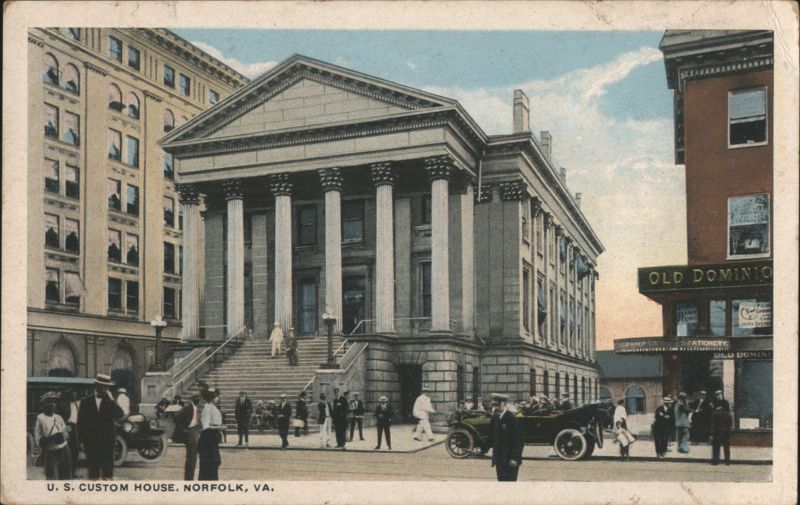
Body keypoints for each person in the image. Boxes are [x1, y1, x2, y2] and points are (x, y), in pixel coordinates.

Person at [78, 373, 124, 480]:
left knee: (107, 470)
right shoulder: (86, 402)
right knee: (93, 470)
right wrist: (81, 441)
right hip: (91, 441)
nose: (104, 389)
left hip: (107, 441)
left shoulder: (110, 401)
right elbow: (81, 423)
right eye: (101, 386)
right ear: (96, 386)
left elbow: (120, 415)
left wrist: (112, 400)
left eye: (106, 386)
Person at [486, 393, 524, 481]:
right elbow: (491, 436)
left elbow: (519, 441)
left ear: (503, 404)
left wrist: (514, 458)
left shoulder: (512, 418)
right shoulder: (495, 417)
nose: (495, 408)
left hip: (510, 460)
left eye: (497, 405)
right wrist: (483, 449)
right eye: (494, 405)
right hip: (499, 459)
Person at [35, 392, 72, 480]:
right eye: (48, 402)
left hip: (64, 450)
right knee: (52, 478)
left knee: (65, 477)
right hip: (51, 451)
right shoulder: (40, 418)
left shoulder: (58, 417)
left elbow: (65, 432)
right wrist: (50, 439)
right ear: (43, 404)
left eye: (54, 402)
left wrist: (62, 436)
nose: (51, 405)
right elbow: (38, 437)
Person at [198, 388, 224, 480]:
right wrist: (219, 428)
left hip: (212, 437)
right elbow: (206, 426)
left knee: (214, 463)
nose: (218, 398)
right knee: (211, 464)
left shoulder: (212, 407)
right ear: (212, 398)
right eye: (216, 397)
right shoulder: (207, 408)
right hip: (208, 439)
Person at [174, 393, 202, 480]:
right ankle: (188, 478)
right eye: (198, 399)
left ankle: (190, 477)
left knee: (193, 457)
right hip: (189, 433)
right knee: (191, 457)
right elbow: (176, 418)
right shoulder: (188, 408)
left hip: (195, 432)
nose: (200, 401)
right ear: (194, 400)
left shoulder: (196, 408)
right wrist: (183, 429)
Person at [710, 390, 732, 465]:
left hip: (717, 431)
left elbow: (713, 423)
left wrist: (711, 433)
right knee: (726, 447)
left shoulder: (715, 413)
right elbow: (730, 423)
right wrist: (729, 430)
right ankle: (727, 461)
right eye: (717, 395)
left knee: (716, 447)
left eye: (719, 395)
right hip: (725, 431)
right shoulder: (727, 414)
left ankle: (716, 461)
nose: (718, 396)